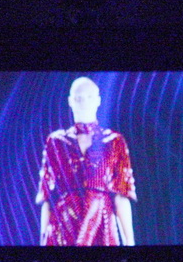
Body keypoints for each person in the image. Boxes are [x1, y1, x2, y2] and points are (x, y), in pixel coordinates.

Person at [38, 77, 136, 246]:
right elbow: (46, 197)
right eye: (79, 98)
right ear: (71, 101)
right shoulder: (55, 141)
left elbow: (121, 196)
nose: (84, 102)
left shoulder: (114, 141)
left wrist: (130, 241)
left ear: (98, 101)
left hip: (101, 224)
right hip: (64, 224)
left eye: (89, 97)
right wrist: (41, 242)